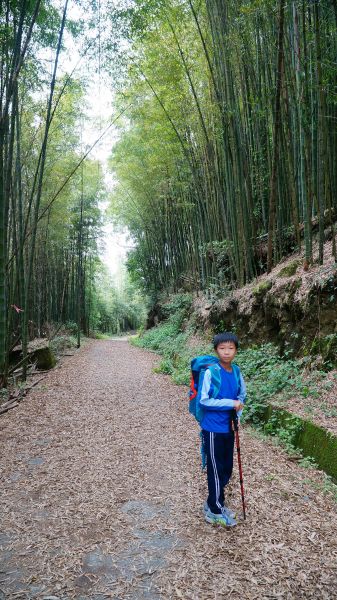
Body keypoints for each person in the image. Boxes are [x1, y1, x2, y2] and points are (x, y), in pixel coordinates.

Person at [200, 332, 246, 527]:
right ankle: (215, 510)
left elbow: (242, 396)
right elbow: (204, 400)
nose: (226, 352)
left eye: (230, 348)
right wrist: (231, 403)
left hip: (229, 428)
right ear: (216, 350)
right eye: (222, 348)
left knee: (226, 469)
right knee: (216, 470)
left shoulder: (236, 371)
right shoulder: (211, 372)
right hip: (213, 429)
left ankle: (214, 502)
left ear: (236, 350)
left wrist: (238, 412)